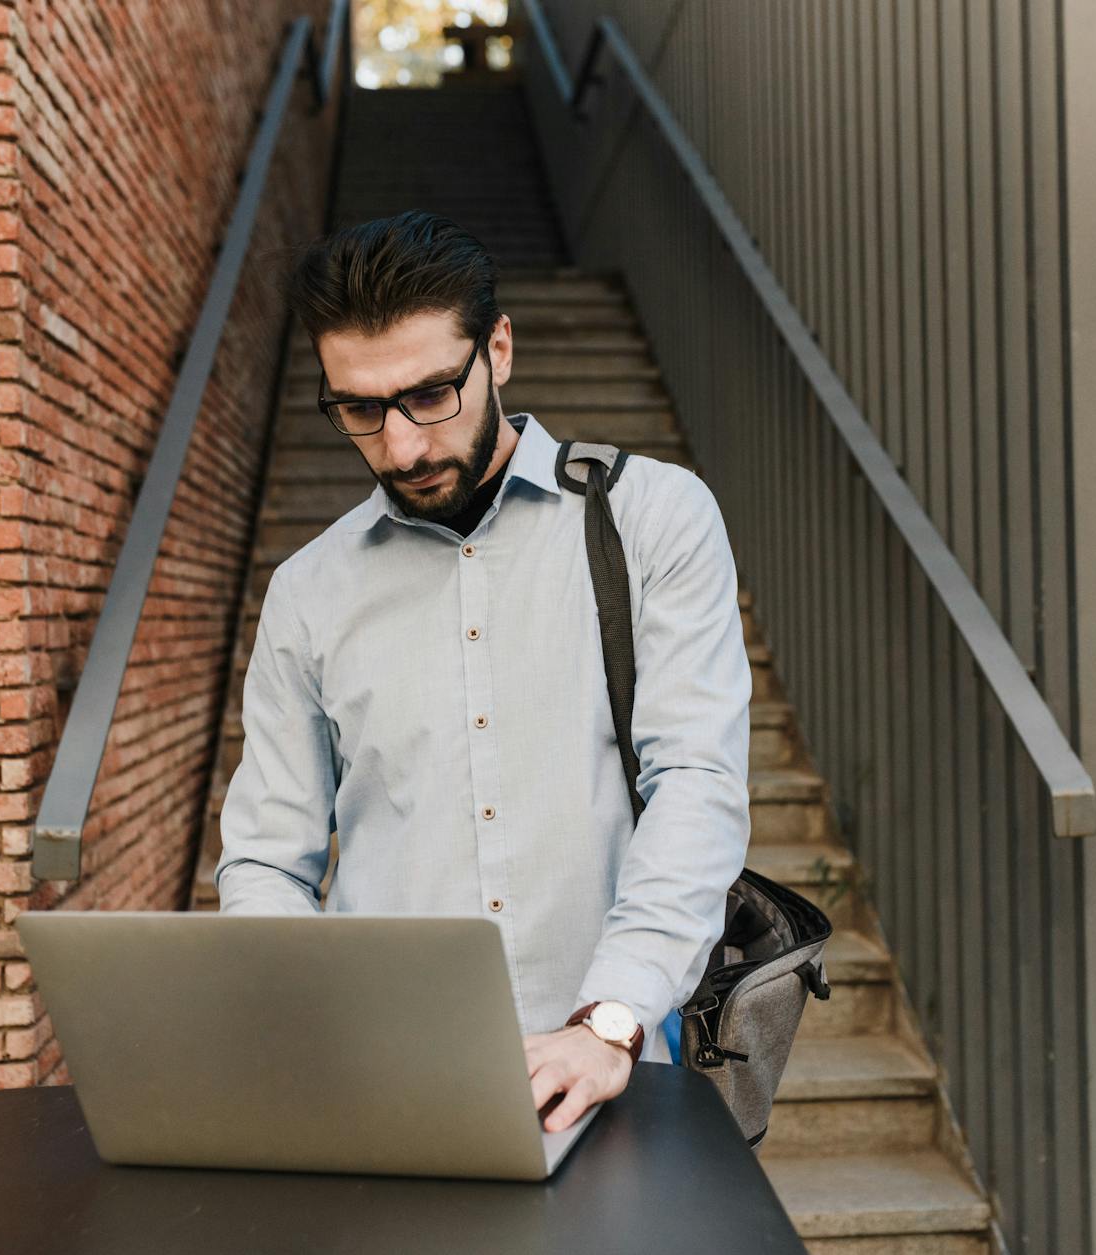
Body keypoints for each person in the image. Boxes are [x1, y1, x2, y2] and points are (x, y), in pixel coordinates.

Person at [215, 210, 751, 1135]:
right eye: (360, 410)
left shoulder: (654, 517)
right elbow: (267, 855)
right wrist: (301, 1019)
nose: (404, 447)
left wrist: (610, 1019)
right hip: (385, 1089)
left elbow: (697, 783)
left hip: (615, 1071)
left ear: (497, 349)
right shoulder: (307, 592)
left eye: (430, 395)